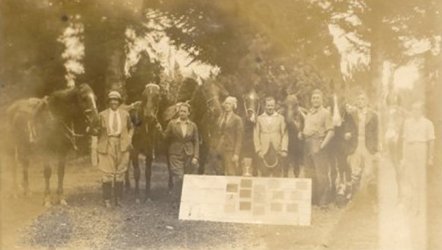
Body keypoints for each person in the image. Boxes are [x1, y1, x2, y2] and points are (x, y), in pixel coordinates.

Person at [399, 102, 435, 250]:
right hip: (410, 149)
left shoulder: (428, 123)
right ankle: (413, 205)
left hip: (421, 148)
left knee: (420, 179)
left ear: (422, 110)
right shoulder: (407, 123)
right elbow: (404, 140)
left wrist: (431, 157)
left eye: (418, 109)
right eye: (413, 109)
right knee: (410, 179)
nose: (415, 111)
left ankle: (420, 206)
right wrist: (403, 157)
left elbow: (431, 140)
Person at [96, 91, 133, 208]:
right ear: (108, 102)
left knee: (120, 172)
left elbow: (131, 127)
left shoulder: (125, 114)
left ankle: (119, 199)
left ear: (119, 102)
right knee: (107, 173)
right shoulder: (102, 115)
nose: (114, 102)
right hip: (107, 144)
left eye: (116, 100)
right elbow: (96, 130)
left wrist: (129, 138)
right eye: (111, 100)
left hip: (122, 143)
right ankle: (107, 199)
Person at [301, 89, 334, 208]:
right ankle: (313, 199)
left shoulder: (325, 113)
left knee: (321, 173)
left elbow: (331, 131)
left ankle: (324, 200)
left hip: (318, 142)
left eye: (317, 98)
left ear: (322, 99)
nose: (315, 100)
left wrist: (321, 145)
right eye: (313, 98)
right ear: (311, 100)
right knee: (309, 172)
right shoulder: (309, 113)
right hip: (307, 143)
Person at [158, 103, 199, 198]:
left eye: (184, 111)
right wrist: (159, 130)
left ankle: (185, 198)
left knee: (187, 177)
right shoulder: (172, 123)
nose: (182, 113)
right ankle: (176, 199)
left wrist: (196, 156)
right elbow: (165, 137)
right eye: (181, 111)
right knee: (179, 177)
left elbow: (196, 141)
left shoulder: (193, 125)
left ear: (188, 113)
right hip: (175, 154)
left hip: (189, 154)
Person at [345, 91, 379, 201]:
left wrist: (376, 148)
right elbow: (347, 127)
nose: (360, 101)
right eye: (359, 99)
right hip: (355, 144)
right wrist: (347, 134)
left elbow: (376, 133)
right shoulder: (351, 115)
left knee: (369, 172)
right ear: (356, 102)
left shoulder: (373, 115)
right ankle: (355, 198)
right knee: (355, 172)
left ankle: (371, 199)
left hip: (368, 145)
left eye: (363, 99)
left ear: (367, 102)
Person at [253, 97, 288, 177]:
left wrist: (284, 149)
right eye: (268, 106)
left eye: (272, 105)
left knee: (277, 174)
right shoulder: (259, 119)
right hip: (264, 151)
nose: (270, 108)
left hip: (277, 150)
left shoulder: (281, 118)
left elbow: (285, 134)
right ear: (265, 106)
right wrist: (258, 150)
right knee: (264, 174)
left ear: (275, 106)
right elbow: (256, 135)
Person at [213, 96, 243, 175]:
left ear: (233, 105)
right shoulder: (221, 118)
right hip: (219, 149)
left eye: (229, 104)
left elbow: (239, 138)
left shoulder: (237, 119)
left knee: (231, 172)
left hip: (230, 150)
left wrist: (236, 153)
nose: (227, 105)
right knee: (219, 171)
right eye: (226, 103)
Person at [284, 94, 304, 178]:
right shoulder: (283, 113)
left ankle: (297, 176)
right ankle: (285, 177)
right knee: (285, 162)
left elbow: (304, 126)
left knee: (297, 161)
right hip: (287, 140)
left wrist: (301, 132)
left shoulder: (302, 114)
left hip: (297, 142)